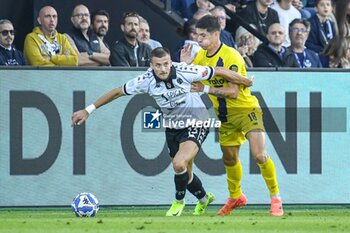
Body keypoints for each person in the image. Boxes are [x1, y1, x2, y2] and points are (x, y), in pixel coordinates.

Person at [71, 47, 252, 217]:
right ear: (151, 66)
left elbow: (218, 71)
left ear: (171, 63)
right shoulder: (146, 80)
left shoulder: (185, 71)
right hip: (173, 126)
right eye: (158, 65)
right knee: (185, 173)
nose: (163, 68)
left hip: (197, 120)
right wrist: (88, 110)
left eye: (166, 64)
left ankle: (178, 202)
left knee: (179, 164)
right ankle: (204, 199)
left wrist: (244, 81)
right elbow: (118, 92)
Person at [181, 15, 284, 217]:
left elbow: (233, 92)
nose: (199, 40)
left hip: (246, 110)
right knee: (229, 159)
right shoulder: (200, 57)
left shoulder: (232, 56)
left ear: (216, 35)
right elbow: (184, 82)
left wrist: (206, 88)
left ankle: (276, 198)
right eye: (197, 35)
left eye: (203, 36)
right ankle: (236, 196)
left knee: (259, 155)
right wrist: (185, 64)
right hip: (225, 116)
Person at [305, 0, 336, 66]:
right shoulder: (311, 23)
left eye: (328, 5)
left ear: (331, 8)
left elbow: (335, 40)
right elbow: (309, 44)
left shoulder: (331, 24)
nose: (325, 7)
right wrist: (326, 51)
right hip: (317, 54)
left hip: (330, 54)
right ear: (316, 8)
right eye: (322, 5)